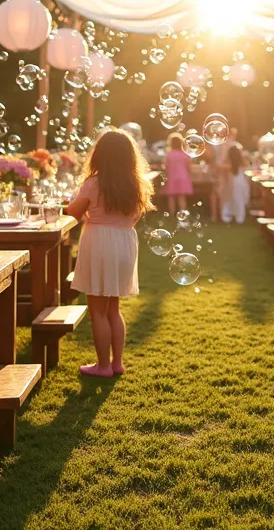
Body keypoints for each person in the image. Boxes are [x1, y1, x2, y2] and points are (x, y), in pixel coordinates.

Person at [66, 129, 154, 378]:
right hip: (124, 242)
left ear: (99, 155)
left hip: (99, 242)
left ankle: (102, 366)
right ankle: (116, 363)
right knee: (113, 308)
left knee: (98, 310)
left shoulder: (93, 183)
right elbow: (133, 218)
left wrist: (72, 204)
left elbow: (72, 211)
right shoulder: (136, 184)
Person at [161, 132, 194, 215]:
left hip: (172, 177)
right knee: (181, 197)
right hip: (183, 177)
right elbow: (189, 167)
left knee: (171, 197)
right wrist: (189, 174)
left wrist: (166, 175)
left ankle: (172, 214)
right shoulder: (185, 154)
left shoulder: (169, 154)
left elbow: (166, 167)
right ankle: (183, 213)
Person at [220, 142, 251, 223]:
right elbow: (248, 164)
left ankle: (227, 216)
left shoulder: (228, 163)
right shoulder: (241, 162)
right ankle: (240, 218)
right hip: (241, 183)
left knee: (229, 200)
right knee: (240, 200)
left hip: (231, 183)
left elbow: (222, 168)